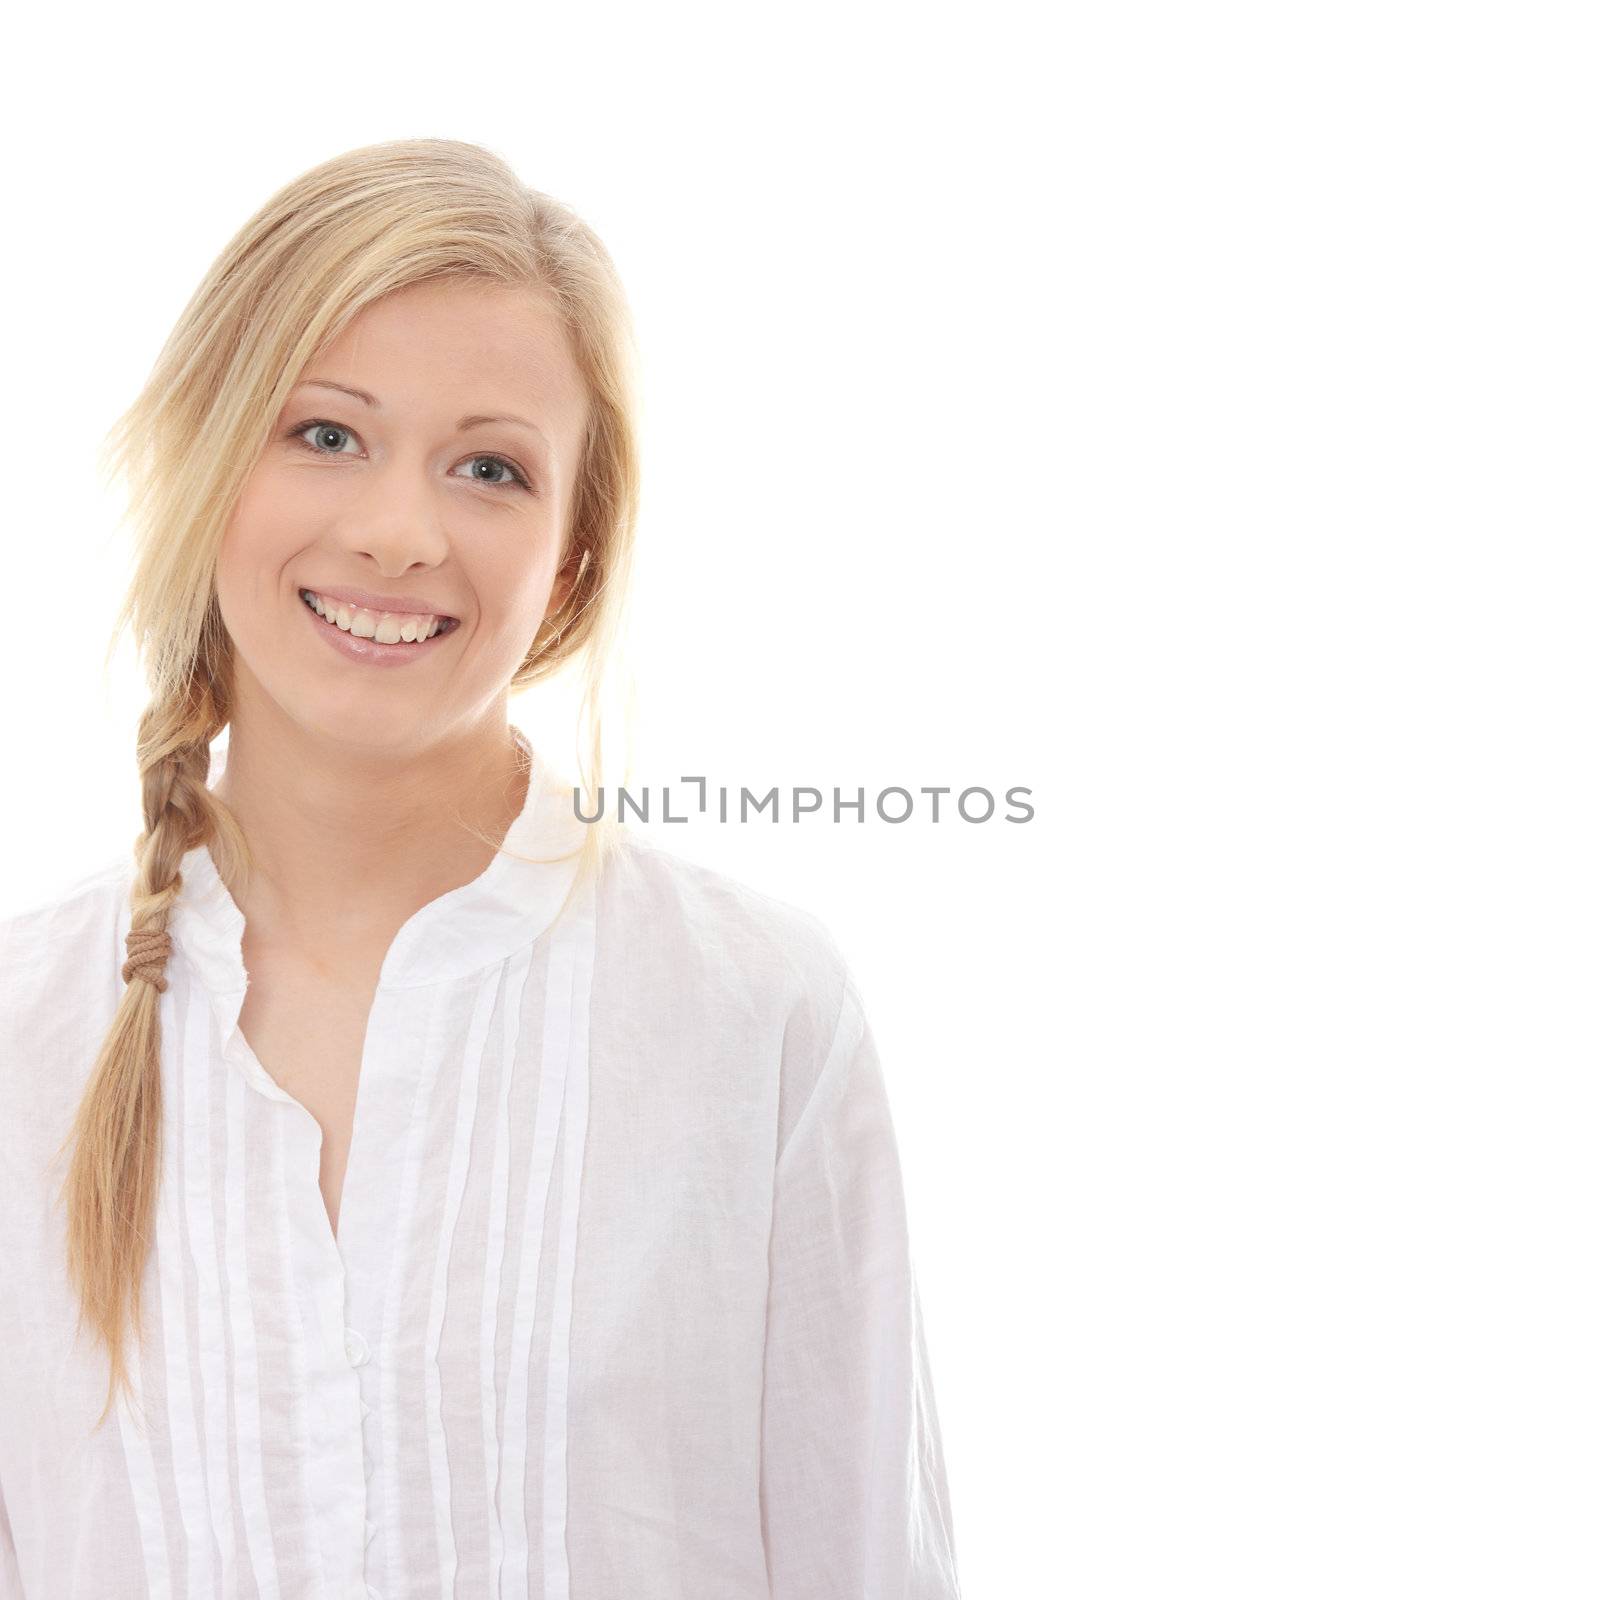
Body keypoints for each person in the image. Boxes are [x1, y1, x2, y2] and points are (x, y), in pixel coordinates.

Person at [0, 138, 961, 1598]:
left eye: (490, 467)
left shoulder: (756, 1010)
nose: (398, 532)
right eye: (326, 433)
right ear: (208, 464)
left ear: (571, 555)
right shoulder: (24, 1028)